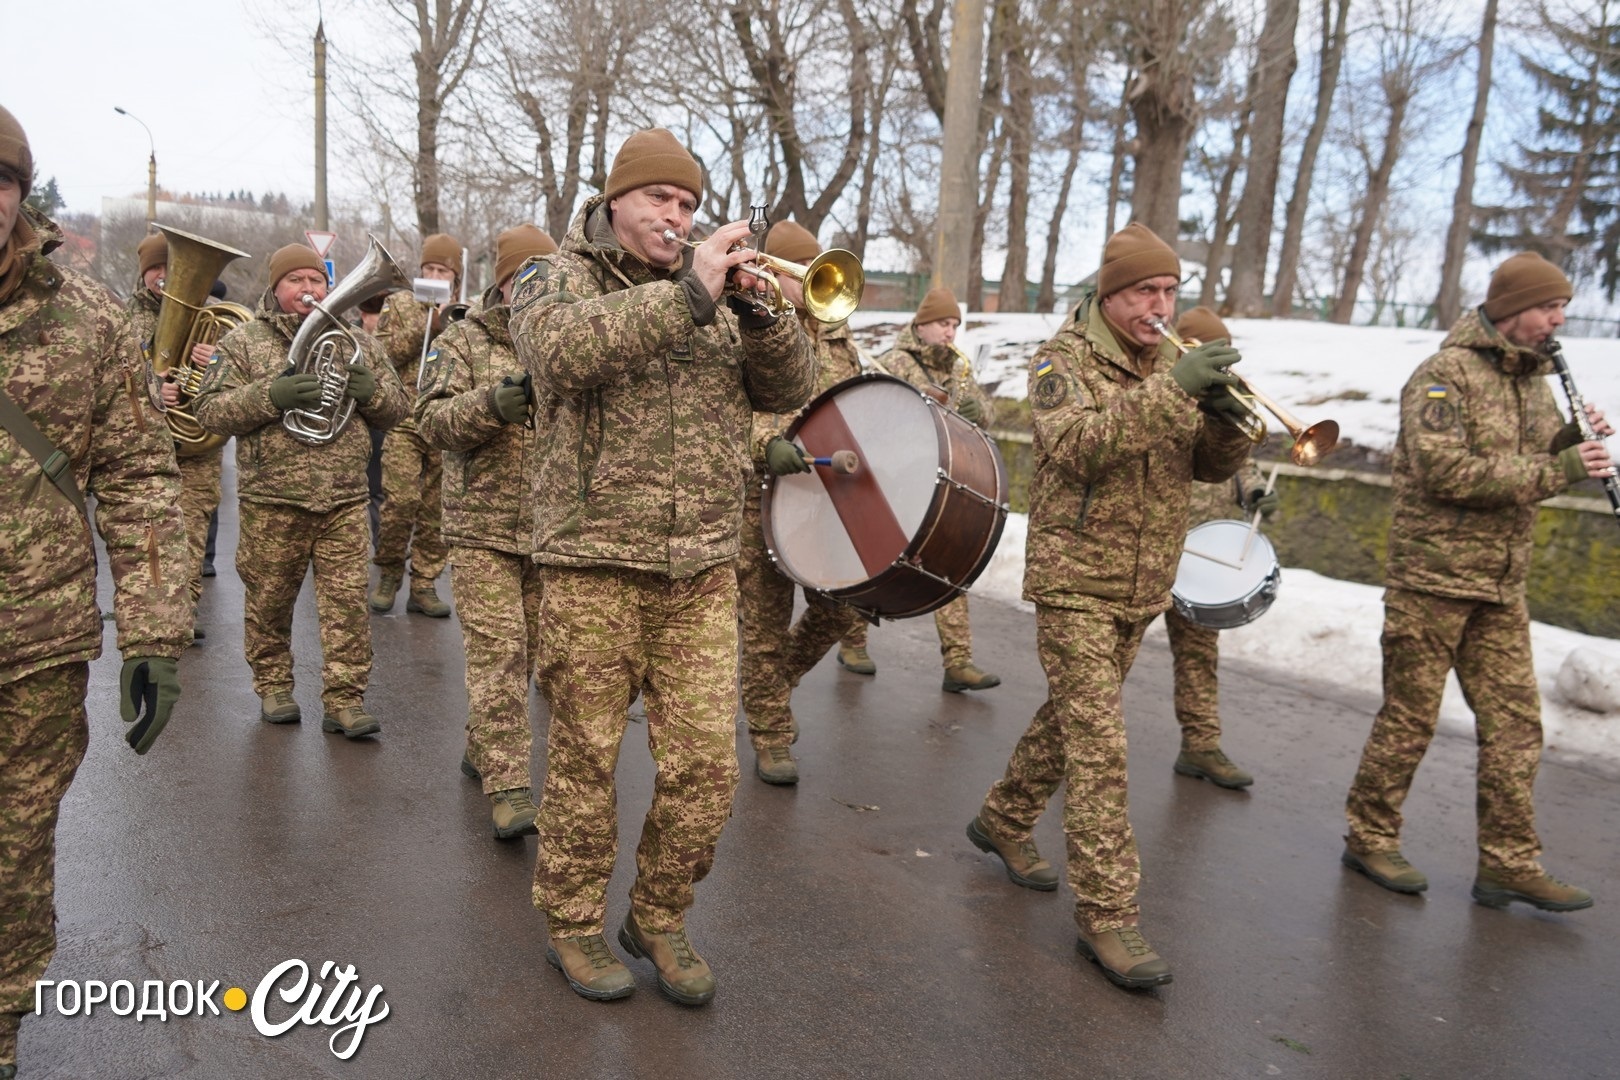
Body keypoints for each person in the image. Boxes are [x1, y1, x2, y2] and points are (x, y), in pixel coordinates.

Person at [511, 128, 815, 1006]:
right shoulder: (555, 277)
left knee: (705, 768)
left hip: (701, 569)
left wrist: (763, 315)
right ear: (616, 202)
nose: (675, 216)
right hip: (592, 565)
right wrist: (689, 294)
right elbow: (560, 358)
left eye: (687, 204)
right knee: (586, 759)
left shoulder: (719, 294)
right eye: (658, 200)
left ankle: (660, 914)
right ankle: (571, 924)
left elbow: (786, 388)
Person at [967, 223, 1251, 990]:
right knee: (1101, 747)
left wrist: (1225, 421)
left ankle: (1002, 816)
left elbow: (1203, 467)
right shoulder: (1062, 359)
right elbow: (1079, 447)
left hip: (1142, 580)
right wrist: (1174, 392)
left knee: (1069, 722)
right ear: (1109, 293)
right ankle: (1109, 916)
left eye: (1168, 292)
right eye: (1143, 292)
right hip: (1074, 578)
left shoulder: (1169, 361)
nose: (1159, 306)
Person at [0, 105, 190, 1079]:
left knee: (12, 859)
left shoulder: (86, 319)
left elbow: (142, 474)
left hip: (32, 647)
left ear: (19, 195)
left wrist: (154, 629)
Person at [1341, 252, 1611, 912]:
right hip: (1431, 579)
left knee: (1518, 727)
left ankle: (1508, 862)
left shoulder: (1534, 379)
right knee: (1410, 720)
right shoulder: (1443, 376)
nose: (1558, 321)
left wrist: (1576, 439)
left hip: (1498, 585)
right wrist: (1563, 469)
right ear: (1512, 307)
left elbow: (1538, 452)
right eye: (1549, 307)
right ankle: (1369, 835)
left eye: (1563, 310)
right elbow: (1447, 473)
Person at [192, 243, 409, 737]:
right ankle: (273, 685)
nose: (309, 290)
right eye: (297, 281)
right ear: (275, 289)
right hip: (272, 499)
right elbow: (209, 411)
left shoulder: (358, 341)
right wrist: (270, 395)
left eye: (317, 281)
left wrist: (371, 392)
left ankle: (346, 700)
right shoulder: (244, 342)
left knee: (347, 606)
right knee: (269, 601)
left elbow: (399, 410)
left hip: (345, 499)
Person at [416, 223, 557, 839]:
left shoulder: (568, 337)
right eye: (522, 276)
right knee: (498, 656)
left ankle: (483, 743)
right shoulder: (463, 340)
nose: (533, 287)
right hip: (481, 529)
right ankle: (508, 788)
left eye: (544, 276)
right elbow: (429, 421)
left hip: (552, 532)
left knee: (527, 653)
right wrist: (490, 408)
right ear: (501, 282)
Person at [736, 220, 869, 786]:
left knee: (845, 607)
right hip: (757, 500)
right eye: (801, 272)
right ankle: (770, 732)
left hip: (824, 500)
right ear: (771, 273)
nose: (811, 285)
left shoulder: (840, 339)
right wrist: (764, 444)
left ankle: (770, 686)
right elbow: (722, 410)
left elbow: (853, 406)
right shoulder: (743, 324)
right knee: (764, 624)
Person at [839, 285, 1000, 692]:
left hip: (939, 477)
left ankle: (958, 661)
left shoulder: (958, 367)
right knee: (872, 562)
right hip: (892, 475)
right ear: (922, 325)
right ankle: (852, 643)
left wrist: (976, 410)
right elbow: (873, 413)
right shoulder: (895, 361)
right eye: (944, 324)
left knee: (947, 563)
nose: (950, 333)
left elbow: (988, 414)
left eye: (955, 325)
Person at [1161, 306, 1278, 790]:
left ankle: (1201, 746)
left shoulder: (1225, 396)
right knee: (1110, 656)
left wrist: (1252, 490)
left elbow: (1239, 459)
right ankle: (1074, 744)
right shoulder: (1164, 392)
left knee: (1198, 654)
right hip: (1151, 543)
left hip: (1202, 552)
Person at [126, 232, 230, 644]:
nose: (166, 276)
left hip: (197, 452)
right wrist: (154, 387)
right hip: (144, 450)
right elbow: (110, 381)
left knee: (190, 537)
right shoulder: (122, 318)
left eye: (173, 267)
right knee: (146, 539)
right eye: (157, 268)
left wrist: (217, 361)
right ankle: (148, 622)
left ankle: (182, 617)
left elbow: (240, 382)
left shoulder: (215, 321)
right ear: (144, 273)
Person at [369, 233, 461, 617]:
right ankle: (389, 574)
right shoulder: (400, 304)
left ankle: (423, 584)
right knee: (400, 501)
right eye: (429, 269)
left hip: (443, 421)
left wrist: (449, 321)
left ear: (454, 277)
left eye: (443, 270)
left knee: (436, 510)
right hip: (405, 417)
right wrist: (428, 322)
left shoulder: (463, 311)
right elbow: (383, 351)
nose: (435, 274)